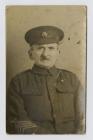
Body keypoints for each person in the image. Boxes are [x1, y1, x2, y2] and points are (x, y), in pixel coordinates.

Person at [6, 26, 85, 134]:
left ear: (58, 52)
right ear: (30, 54)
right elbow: (19, 122)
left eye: (51, 48)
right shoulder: (18, 82)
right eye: (40, 48)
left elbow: (84, 119)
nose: (45, 54)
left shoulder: (72, 79)